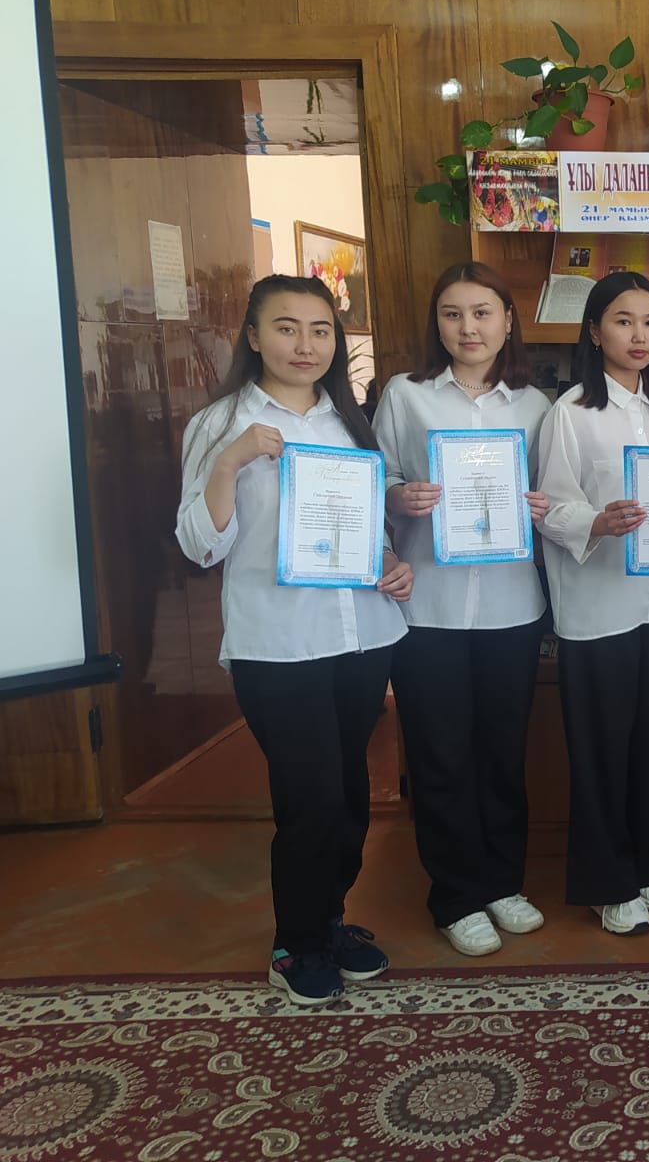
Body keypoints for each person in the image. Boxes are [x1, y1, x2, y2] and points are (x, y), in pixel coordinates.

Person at [175, 275, 413, 1006]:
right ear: (253, 337)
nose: (304, 345)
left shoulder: (350, 422)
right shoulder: (221, 424)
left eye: (319, 329)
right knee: (309, 800)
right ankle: (296, 943)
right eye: (286, 328)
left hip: (362, 636)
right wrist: (231, 460)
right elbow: (199, 546)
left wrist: (391, 562)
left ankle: (328, 920)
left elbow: (365, 527)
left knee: (348, 797)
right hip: (278, 645)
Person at [373, 261, 552, 958]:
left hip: (511, 606)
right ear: (437, 324)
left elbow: (557, 492)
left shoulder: (536, 406)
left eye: (482, 313)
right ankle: (455, 895)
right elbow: (376, 478)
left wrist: (543, 506)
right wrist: (399, 496)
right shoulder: (405, 395)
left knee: (503, 755)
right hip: (429, 610)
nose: (468, 327)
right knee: (441, 756)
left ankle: (502, 882)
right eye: (453, 314)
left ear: (508, 321)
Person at [537, 271, 649, 936]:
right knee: (601, 751)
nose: (639, 335)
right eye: (624, 321)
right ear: (595, 332)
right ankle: (607, 883)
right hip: (599, 611)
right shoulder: (570, 412)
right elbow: (549, 507)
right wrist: (597, 522)